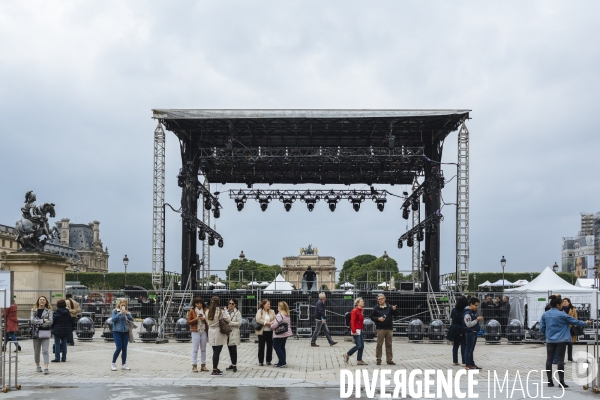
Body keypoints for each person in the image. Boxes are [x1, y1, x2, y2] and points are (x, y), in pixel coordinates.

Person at [540, 296, 590, 388]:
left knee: (549, 360)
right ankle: (561, 382)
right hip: (561, 340)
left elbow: (541, 328)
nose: (563, 305)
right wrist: (585, 323)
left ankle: (549, 381)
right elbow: (575, 322)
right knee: (560, 360)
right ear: (558, 305)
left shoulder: (545, 314)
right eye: (561, 304)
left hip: (550, 340)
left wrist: (547, 335)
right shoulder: (562, 315)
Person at [370, 293, 398, 365]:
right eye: (379, 299)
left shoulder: (389, 307)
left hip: (389, 328)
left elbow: (395, 315)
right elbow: (372, 317)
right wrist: (378, 319)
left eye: (381, 299)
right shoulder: (376, 308)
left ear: (385, 299)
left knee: (389, 344)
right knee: (379, 344)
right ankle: (378, 359)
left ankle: (389, 359)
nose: (380, 300)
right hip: (380, 329)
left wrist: (394, 310)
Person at [206, 296, 231, 376]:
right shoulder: (220, 311)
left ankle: (215, 368)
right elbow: (228, 319)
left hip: (211, 331)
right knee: (217, 352)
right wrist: (226, 311)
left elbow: (207, 321)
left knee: (214, 351)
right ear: (218, 302)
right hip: (218, 332)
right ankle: (214, 370)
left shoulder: (208, 311)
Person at [31, 295, 53, 374]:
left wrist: (39, 323)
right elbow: (32, 321)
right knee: (37, 351)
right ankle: (38, 366)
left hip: (45, 332)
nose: (42, 301)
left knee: (45, 350)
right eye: (41, 299)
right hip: (36, 333)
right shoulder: (34, 310)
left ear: (46, 301)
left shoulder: (48, 311)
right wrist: (43, 321)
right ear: (38, 301)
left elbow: (50, 322)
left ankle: (46, 367)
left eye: (44, 299)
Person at [111, 299, 134, 371]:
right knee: (118, 348)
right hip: (117, 331)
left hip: (125, 332)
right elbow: (113, 320)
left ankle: (124, 364)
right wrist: (119, 313)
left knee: (124, 348)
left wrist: (127, 314)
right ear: (119, 305)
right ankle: (113, 363)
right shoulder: (115, 311)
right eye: (122, 305)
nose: (123, 306)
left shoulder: (127, 312)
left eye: (124, 305)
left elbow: (132, 319)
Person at [343, 297, 367, 366]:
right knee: (359, 345)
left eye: (363, 301)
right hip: (356, 330)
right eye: (361, 301)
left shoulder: (360, 311)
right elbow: (352, 321)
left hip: (360, 330)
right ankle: (347, 354)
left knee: (361, 345)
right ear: (357, 303)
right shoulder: (355, 311)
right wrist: (353, 330)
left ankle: (359, 360)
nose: (363, 302)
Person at [187, 297, 208, 372]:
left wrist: (204, 319)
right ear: (195, 304)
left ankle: (203, 365)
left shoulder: (205, 310)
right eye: (197, 303)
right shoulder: (192, 311)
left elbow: (209, 319)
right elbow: (189, 322)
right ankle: (194, 365)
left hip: (204, 330)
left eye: (200, 303)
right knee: (195, 349)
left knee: (203, 348)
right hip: (195, 330)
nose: (199, 305)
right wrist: (196, 319)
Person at [271, 301, 293, 368]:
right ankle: (281, 361)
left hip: (279, 334)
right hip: (285, 333)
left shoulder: (279, 315)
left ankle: (282, 362)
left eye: (278, 306)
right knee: (282, 347)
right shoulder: (287, 314)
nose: (277, 307)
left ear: (280, 307)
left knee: (276, 347)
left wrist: (271, 326)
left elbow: (275, 325)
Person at [463, 297, 483, 370]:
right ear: (471, 304)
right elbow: (469, 324)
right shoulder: (467, 313)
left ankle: (471, 364)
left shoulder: (471, 312)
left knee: (471, 350)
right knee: (468, 349)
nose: (476, 307)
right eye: (475, 305)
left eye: (477, 305)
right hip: (470, 333)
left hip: (473, 332)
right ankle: (467, 364)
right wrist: (477, 320)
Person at [448, 296, 469, 366]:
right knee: (463, 344)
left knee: (455, 344)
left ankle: (455, 361)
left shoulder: (454, 310)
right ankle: (464, 361)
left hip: (454, 327)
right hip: (462, 327)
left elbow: (452, 317)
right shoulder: (465, 311)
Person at [255, 299, 276, 365]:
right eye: (267, 304)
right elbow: (258, 319)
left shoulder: (272, 311)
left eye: (269, 304)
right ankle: (261, 361)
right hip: (262, 331)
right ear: (264, 305)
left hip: (270, 331)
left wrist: (271, 323)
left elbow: (275, 319)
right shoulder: (260, 311)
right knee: (261, 346)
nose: (269, 305)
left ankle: (268, 360)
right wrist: (266, 323)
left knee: (270, 346)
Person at [226, 299, 242, 372]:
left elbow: (239, 323)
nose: (231, 305)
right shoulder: (226, 312)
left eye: (232, 304)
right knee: (229, 349)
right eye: (230, 303)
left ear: (235, 304)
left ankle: (234, 365)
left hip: (234, 332)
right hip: (227, 333)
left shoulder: (237, 313)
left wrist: (231, 323)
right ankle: (232, 364)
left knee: (233, 349)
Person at [562, 298, 578, 363]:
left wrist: (572, 324)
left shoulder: (573, 309)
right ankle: (561, 359)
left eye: (565, 301)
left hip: (570, 328)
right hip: (563, 328)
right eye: (563, 302)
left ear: (569, 302)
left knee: (570, 343)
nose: (564, 303)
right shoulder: (561, 309)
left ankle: (570, 358)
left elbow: (575, 318)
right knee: (562, 344)